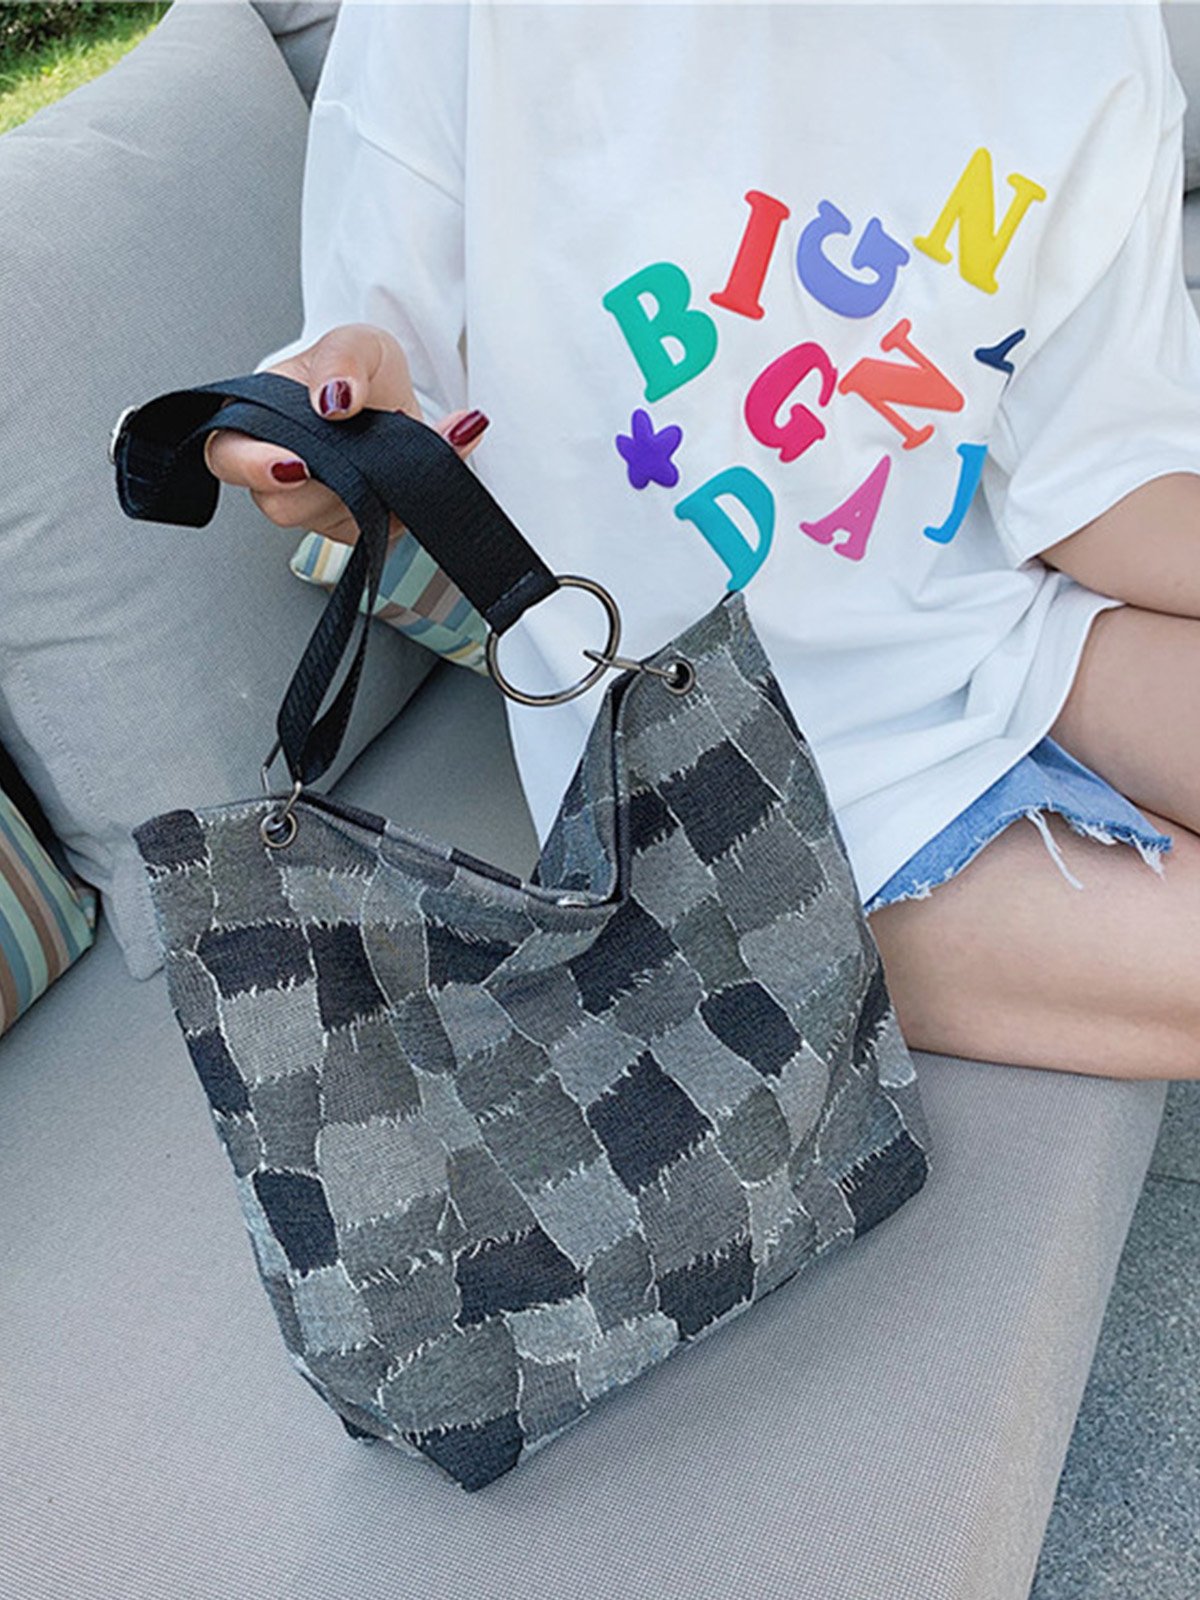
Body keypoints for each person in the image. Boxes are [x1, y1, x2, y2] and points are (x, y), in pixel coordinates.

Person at [204, 0, 1200, 1081]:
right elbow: (386, 373)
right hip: (709, 755)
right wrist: (350, 438)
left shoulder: (1089, 28)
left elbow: (1096, 466)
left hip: (1002, 624)